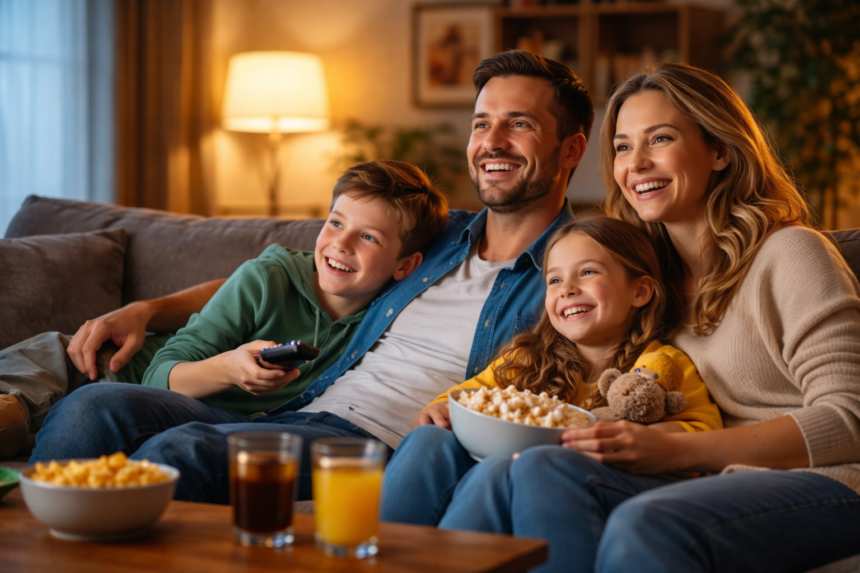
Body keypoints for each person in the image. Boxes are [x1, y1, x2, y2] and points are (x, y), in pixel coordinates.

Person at [30, 50, 595, 503]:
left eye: (518, 125)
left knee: (180, 453)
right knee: (92, 405)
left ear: (571, 149)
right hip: (301, 406)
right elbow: (295, 273)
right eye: (481, 123)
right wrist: (149, 310)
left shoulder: (578, 268)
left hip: (378, 441)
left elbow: (599, 367)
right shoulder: (440, 236)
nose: (491, 142)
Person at [401, 62, 860, 573]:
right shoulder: (641, 278)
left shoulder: (791, 254)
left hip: (831, 478)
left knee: (645, 523)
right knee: (518, 468)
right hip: (706, 474)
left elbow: (850, 419)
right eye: (622, 146)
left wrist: (679, 451)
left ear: (721, 151)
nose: (636, 163)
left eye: (659, 139)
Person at [381, 215, 722, 525]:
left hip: (586, 486)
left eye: (588, 272)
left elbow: (701, 437)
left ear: (640, 291)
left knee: (499, 471)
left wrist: (640, 438)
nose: (567, 289)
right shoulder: (529, 357)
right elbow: (472, 395)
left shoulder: (661, 365)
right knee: (429, 438)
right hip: (505, 467)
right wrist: (437, 409)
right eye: (554, 280)